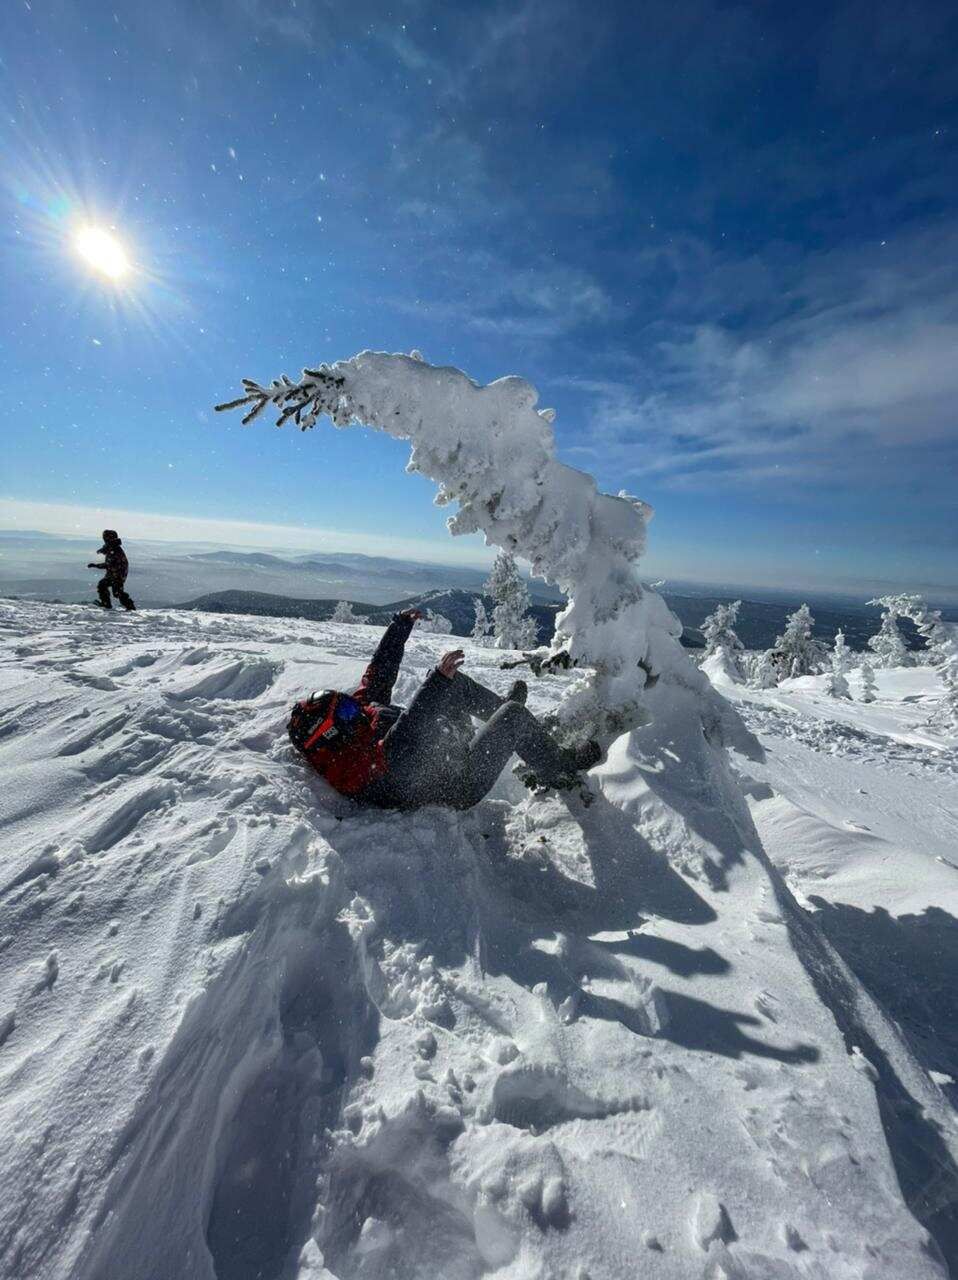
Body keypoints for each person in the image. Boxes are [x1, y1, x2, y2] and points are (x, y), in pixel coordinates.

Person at [288, 609, 600, 811]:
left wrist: (399, 627)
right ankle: (561, 768)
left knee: (451, 683)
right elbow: (402, 741)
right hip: (459, 782)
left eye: (344, 701)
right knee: (511, 716)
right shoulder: (356, 769)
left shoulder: (353, 723)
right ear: (332, 733)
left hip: (445, 748)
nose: (352, 706)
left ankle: (501, 712)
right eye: (344, 710)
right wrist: (436, 683)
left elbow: (377, 678)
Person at [88, 529, 135, 611]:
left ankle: (129, 607)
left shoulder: (114, 550)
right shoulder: (113, 548)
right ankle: (108, 604)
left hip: (117, 575)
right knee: (107, 587)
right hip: (116, 574)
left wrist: (96, 565)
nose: (104, 540)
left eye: (105, 538)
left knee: (115, 591)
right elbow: (109, 558)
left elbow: (108, 564)